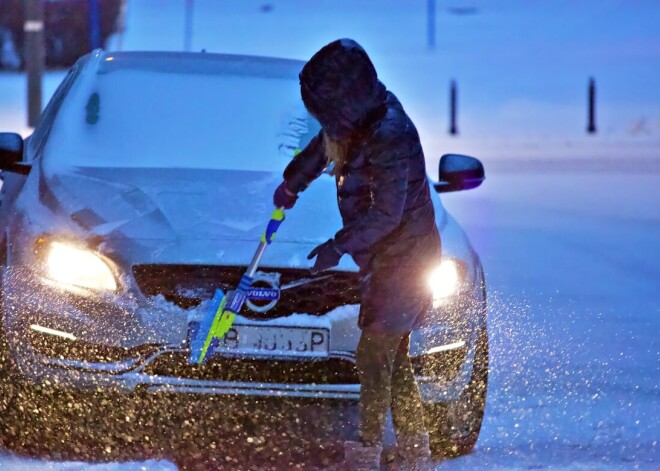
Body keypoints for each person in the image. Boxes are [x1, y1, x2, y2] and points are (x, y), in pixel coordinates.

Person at [273, 38, 441, 471]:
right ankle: (415, 451)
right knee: (392, 358)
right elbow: (322, 148)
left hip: (407, 260)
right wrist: (293, 183)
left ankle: (366, 453)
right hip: (388, 260)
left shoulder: (390, 134)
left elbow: (387, 215)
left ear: (344, 102)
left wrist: (337, 245)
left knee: (372, 356)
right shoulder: (358, 122)